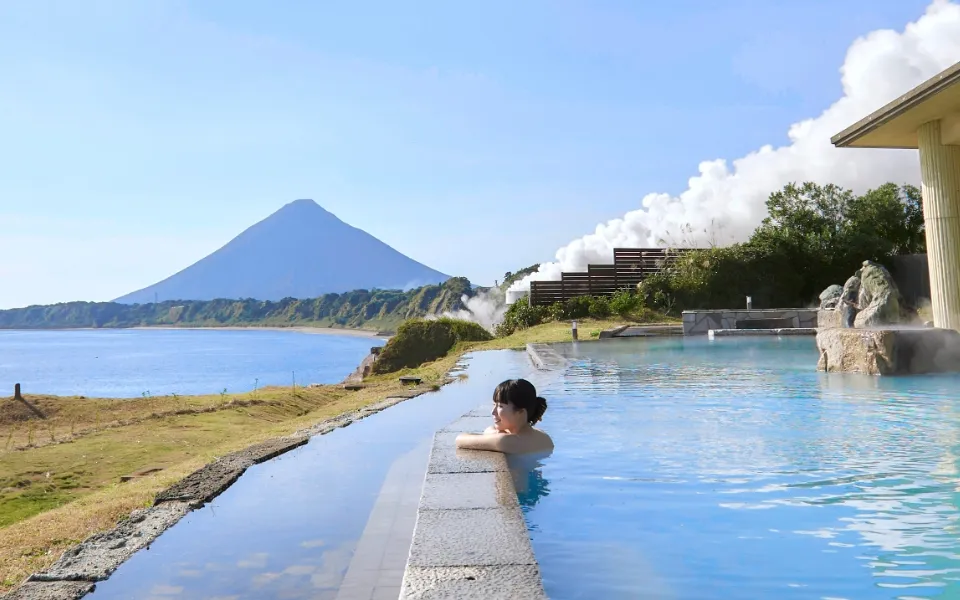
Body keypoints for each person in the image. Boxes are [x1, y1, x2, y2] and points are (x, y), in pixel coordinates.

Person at [455, 378, 554, 455]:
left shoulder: (507, 441)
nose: (493, 412)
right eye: (494, 405)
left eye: (500, 406)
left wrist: (499, 434)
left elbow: (460, 440)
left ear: (521, 412)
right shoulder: (544, 436)